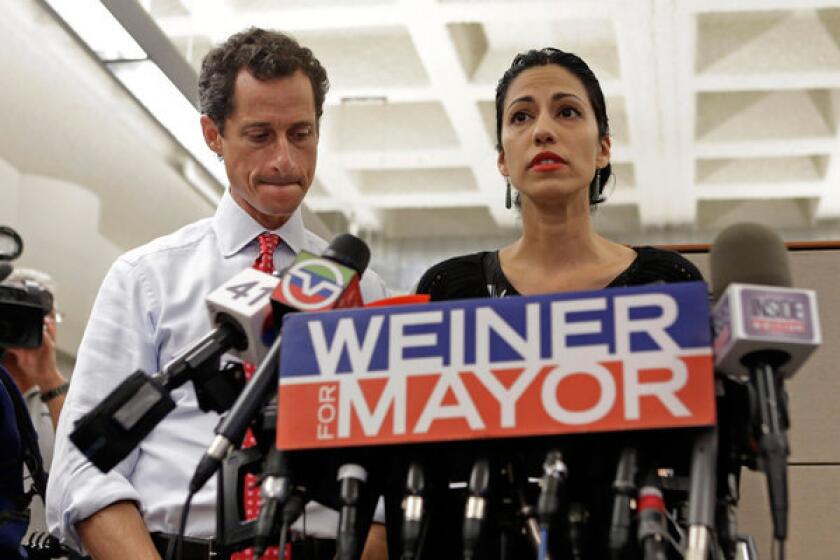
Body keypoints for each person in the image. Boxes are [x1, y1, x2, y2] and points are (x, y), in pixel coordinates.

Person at [47, 28, 389, 560]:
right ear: (212, 133)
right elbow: (84, 472)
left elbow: (384, 489)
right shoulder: (145, 279)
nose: (285, 160)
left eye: (301, 134)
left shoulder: (364, 290)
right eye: (259, 135)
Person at [416, 47, 701, 299]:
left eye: (567, 112)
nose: (542, 131)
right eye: (521, 116)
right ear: (503, 159)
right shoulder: (448, 289)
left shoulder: (668, 282)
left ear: (602, 149)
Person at [1, 269, 69, 558]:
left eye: (43, 313)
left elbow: (90, 461)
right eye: (12, 313)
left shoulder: (69, 396)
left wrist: (49, 379)